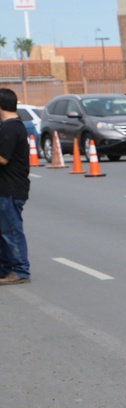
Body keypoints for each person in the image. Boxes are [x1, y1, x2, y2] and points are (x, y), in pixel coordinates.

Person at [0, 87, 31, 286]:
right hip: (6, 188)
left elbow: (3, 159)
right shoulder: (10, 126)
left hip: (11, 188)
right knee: (3, 231)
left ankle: (20, 269)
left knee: (11, 230)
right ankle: (5, 269)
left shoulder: (11, 128)